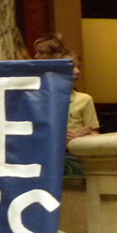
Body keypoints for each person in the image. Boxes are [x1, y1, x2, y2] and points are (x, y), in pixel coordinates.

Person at [33, 33, 99, 175]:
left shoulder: (84, 99)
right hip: (46, 157)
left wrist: (81, 137)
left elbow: (94, 134)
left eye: (42, 52)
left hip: (74, 157)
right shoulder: (37, 97)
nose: (78, 72)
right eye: (72, 67)